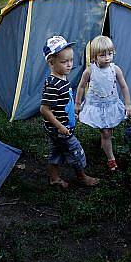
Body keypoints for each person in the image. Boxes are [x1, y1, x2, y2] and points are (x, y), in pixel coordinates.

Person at [40, 36, 98, 188]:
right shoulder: (53, 85)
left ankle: (54, 178)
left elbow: (64, 102)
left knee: (56, 151)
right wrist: (60, 126)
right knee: (75, 151)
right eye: (64, 62)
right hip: (60, 130)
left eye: (71, 60)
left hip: (63, 126)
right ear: (51, 62)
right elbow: (44, 110)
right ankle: (82, 177)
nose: (69, 64)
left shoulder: (62, 78)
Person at [75, 35, 131, 172]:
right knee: (106, 132)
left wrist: (128, 104)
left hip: (111, 105)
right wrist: (78, 104)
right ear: (94, 56)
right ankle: (111, 158)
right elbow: (81, 87)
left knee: (109, 129)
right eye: (102, 55)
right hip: (96, 106)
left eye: (110, 54)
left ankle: (105, 141)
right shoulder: (90, 71)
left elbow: (124, 86)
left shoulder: (115, 69)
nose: (107, 58)